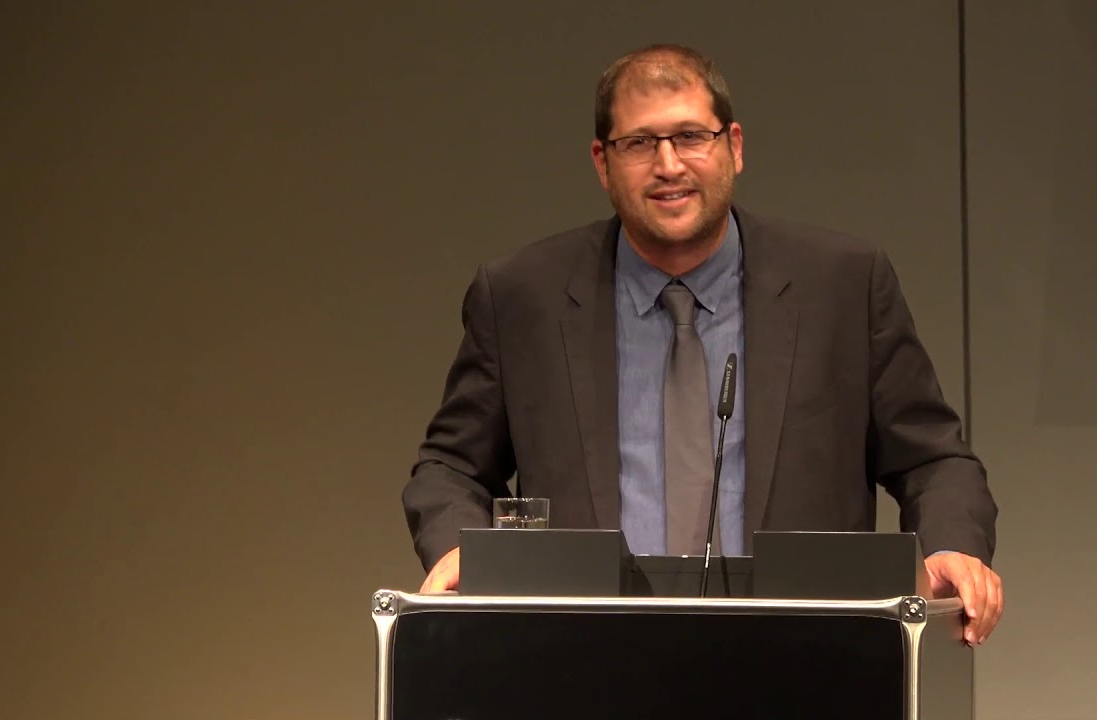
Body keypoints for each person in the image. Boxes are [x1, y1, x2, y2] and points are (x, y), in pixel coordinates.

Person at [403, 43, 1003, 645]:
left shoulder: (843, 285)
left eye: (692, 136)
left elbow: (932, 457)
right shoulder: (521, 297)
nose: (669, 165)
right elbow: (451, 466)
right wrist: (462, 547)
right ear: (601, 162)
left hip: (805, 666)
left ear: (734, 147)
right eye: (639, 143)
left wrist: (954, 544)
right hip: (583, 662)